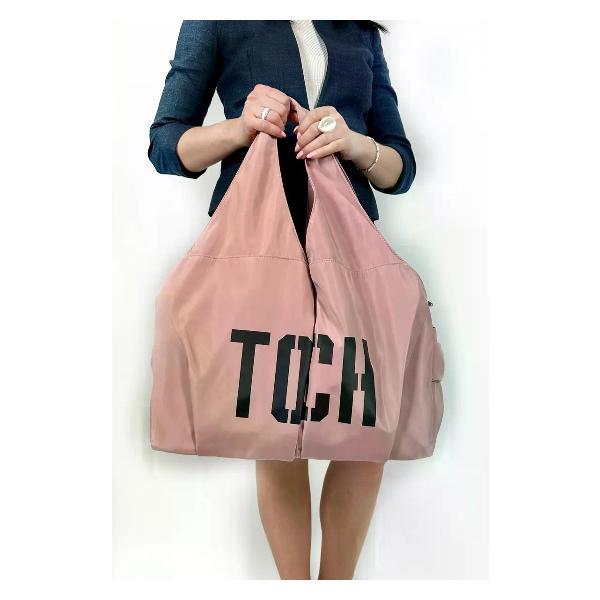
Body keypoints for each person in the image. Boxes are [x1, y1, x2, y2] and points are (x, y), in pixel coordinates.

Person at [148, 20, 417, 580]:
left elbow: (399, 168)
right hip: (259, 243)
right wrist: (241, 128)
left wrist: (352, 141)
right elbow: (166, 145)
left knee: (365, 433)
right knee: (276, 432)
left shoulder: (359, 30)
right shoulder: (217, 19)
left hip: (349, 249)